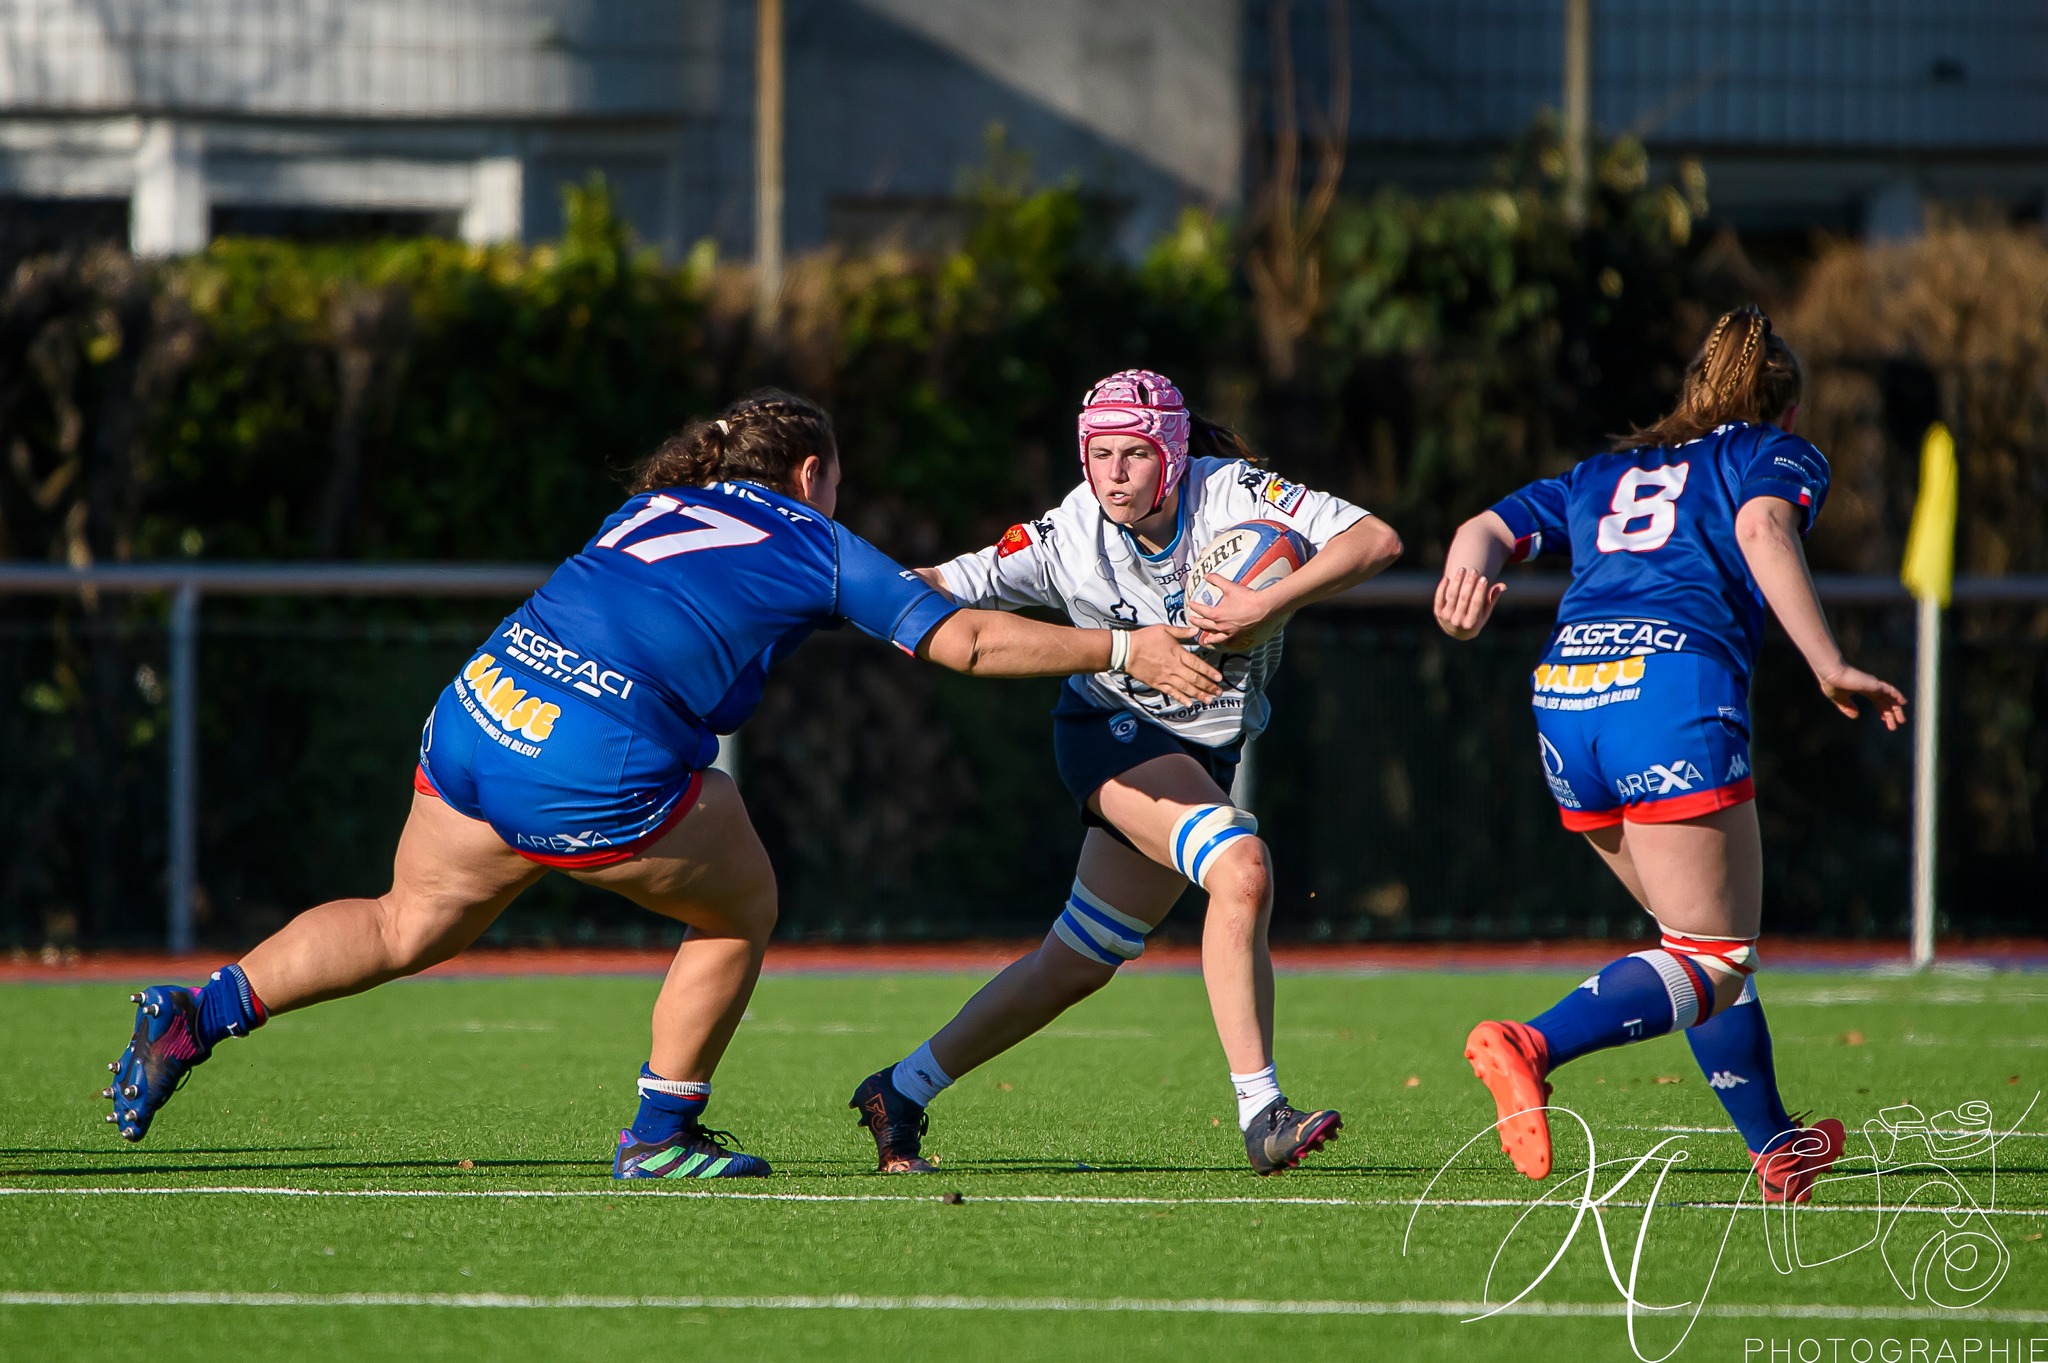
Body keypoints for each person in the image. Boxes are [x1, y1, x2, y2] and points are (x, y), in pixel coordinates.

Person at [102, 390, 1225, 1180]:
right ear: (809, 473)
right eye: (836, 478)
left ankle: (202, 1011)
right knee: (740, 905)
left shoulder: (649, 505)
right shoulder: (814, 536)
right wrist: (1123, 646)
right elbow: (963, 643)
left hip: (481, 709)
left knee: (406, 920)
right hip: (587, 754)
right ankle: (657, 1134)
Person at [849, 369, 1403, 1176]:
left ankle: (900, 1090)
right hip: (1110, 734)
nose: (1113, 474)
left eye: (1134, 455)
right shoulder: (1068, 533)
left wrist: (1268, 602)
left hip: (1202, 753)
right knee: (1242, 867)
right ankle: (1263, 1113)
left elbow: (1376, 540)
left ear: (1172, 456)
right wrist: (832, 584)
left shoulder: (1236, 494)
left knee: (1074, 961)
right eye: (1099, 454)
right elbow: (943, 583)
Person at [1433, 305, 1906, 1203]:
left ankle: (1778, 1146)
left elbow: (1483, 527)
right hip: (1668, 692)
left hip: (1567, 701)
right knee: (1715, 954)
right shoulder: (1773, 452)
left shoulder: (1599, 472)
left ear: (1691, 391)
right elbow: (1763, 531)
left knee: (1692, 945)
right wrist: (1828, 662)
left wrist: (1464, 591)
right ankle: (1530, 1043)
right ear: (1787, 409)